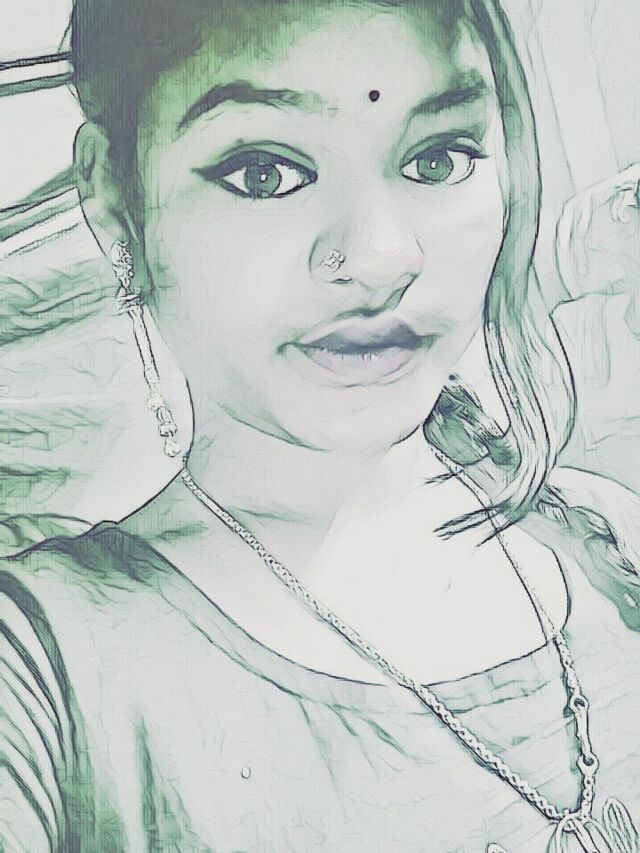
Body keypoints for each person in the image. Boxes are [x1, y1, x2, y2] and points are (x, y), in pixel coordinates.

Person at [1, 0, 640, 850]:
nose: (381, 256)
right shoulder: (45, 673)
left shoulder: (607, 534)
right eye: (264, 174)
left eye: (438, 158)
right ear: (117, 201)